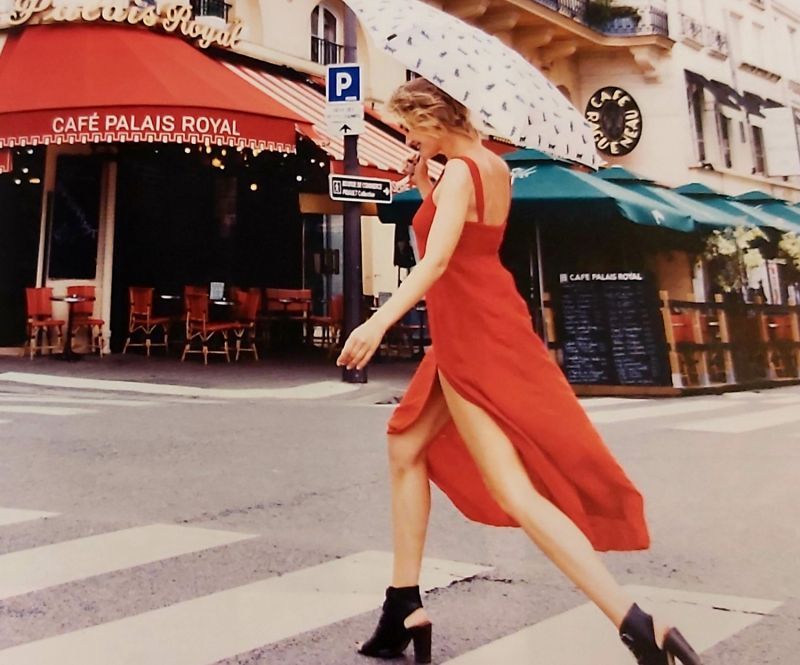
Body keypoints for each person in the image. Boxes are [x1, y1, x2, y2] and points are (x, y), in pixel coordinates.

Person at [336, 77, 702, 665]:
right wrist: (428, 179)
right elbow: (470, 236)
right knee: (405, 444)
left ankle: (636, 622)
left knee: (516, 491)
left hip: (471, 336)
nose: (406, 136)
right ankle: (402, 601)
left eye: (409, 125)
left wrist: (377, 323)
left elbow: (435, 262)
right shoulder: (491, 166)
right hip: (483, 319)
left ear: (431, 119)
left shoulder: (460, 172)